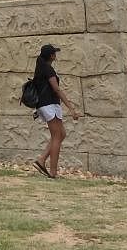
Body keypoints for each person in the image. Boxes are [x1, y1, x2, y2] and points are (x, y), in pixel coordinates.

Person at [32, 44, 79, 179]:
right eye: (54, 53)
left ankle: (41, 160)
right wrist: (71, 108)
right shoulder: (48, 69)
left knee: (61, 134)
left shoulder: (42, 67)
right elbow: (56, 89)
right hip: (49, 104)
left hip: (48, 104)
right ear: (51, 56)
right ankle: (53, 172)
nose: (55, 55)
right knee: (57, 136)